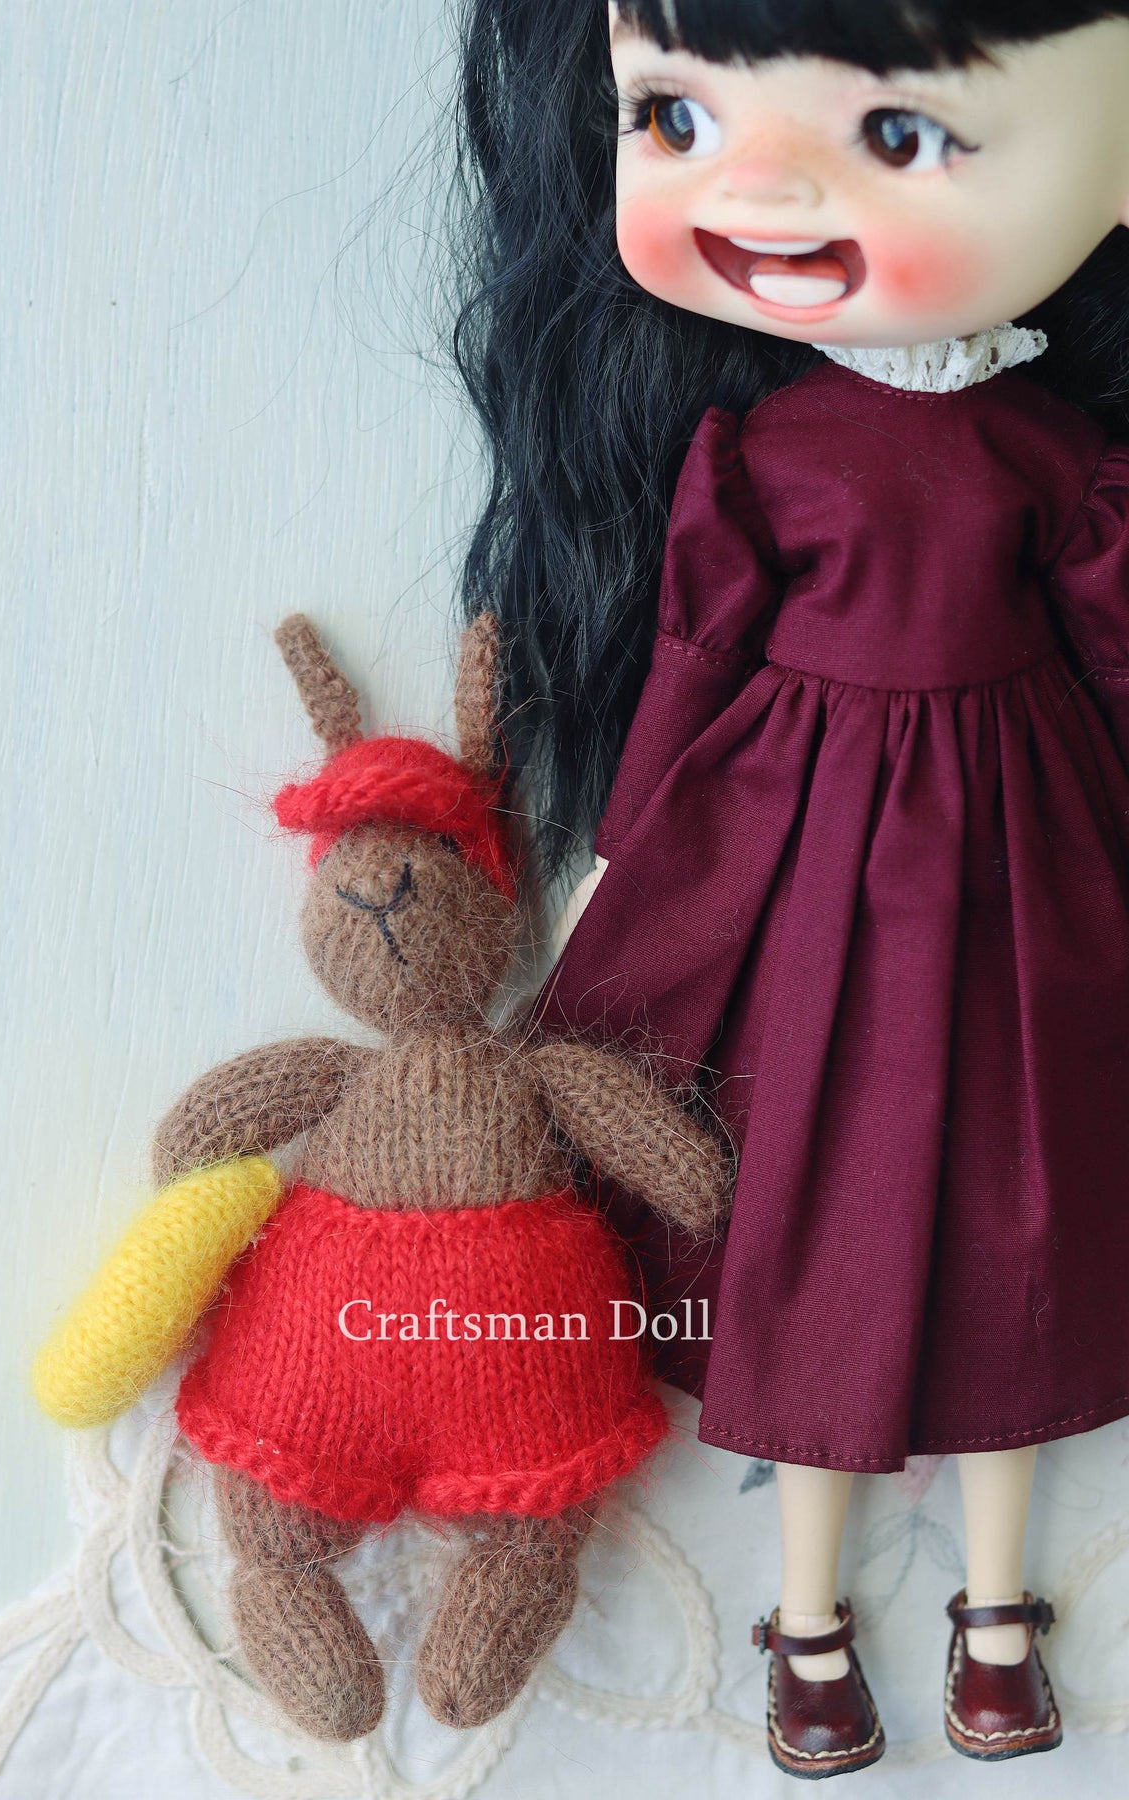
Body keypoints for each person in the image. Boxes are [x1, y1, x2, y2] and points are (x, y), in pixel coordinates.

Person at [447, 0, 1129, 1776]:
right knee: (800, 1222)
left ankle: (996, 1623)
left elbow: (1119, 645)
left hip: (1017, 844)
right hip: (802, 839)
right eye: (673, 117)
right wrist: (625, 851)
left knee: (1017, 1227)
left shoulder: (1053, 455)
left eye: (899, 133)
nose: (765, 192)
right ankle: (811, 1627)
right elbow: (693, 657)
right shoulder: (764, 454)